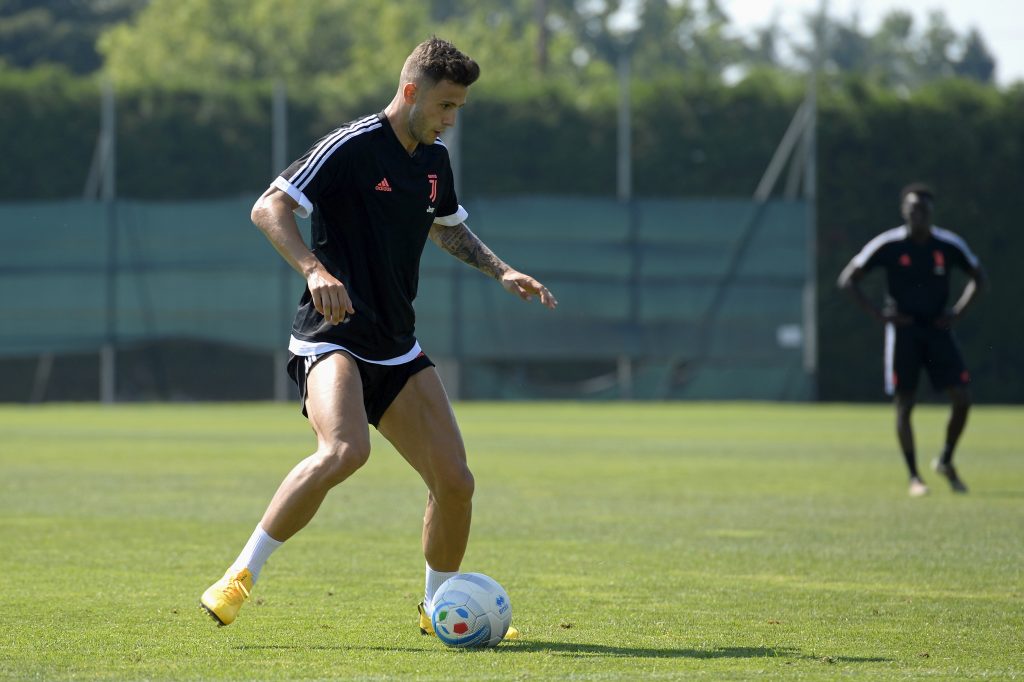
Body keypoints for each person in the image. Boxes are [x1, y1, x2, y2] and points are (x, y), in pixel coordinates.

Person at [200, 37, 557, 637]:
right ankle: (238, 575)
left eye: (459, 110)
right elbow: (269, 207)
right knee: (346, 450)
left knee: (455, 482)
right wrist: (314, 271)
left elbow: (449, 230)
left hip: (396, 343)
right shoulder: (352, 146)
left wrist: (502, 270)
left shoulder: (434, 162)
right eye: (445, 106)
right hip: (331, 335)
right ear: (411, 91)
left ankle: (436, 607)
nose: (450, 120)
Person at [837, 183, 985, 497]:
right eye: (913, 209)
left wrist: (957, 313)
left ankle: (945, 459)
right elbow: (848, 279)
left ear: (932, 213)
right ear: (904, 211)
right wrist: (879, 315)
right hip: (903, 331)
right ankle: (914, 477)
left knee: (962, 397)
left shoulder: (948, 245)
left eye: (924, 210)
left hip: (937, 329)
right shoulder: (889, 244)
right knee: (905, 404)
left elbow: (978, 278)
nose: (918, 214)